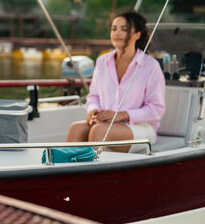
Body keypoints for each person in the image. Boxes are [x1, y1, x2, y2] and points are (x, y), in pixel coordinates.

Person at [66, 10, 165, 153]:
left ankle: (97, 174)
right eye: (114, 29)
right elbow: (93, 96)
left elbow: (156, 110)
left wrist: (123, 115)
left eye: (124, 29)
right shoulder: (102, 62)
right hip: (105, 123)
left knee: (99, 131)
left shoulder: (150, 66)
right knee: (76, 128)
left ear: (137, 35)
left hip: (140, 128)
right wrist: (93, 110)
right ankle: (70, 174)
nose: (117, 33)